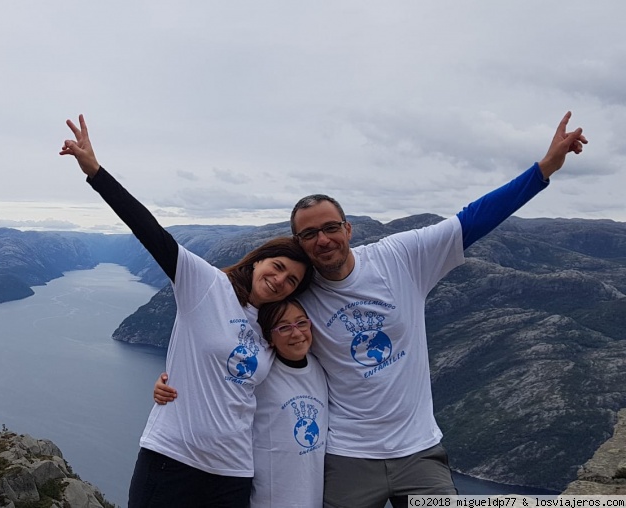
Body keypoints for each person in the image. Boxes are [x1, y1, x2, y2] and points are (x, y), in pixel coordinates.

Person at [288, 111, 587, 508]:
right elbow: (237, 315)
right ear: (298, 242)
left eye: (329, 228)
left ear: (348, 229)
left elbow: (475, 219)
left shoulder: (399, 257)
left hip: (418, 450)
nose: (322, 240)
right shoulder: (297, 289)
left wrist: (544, 168)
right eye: (309, 234)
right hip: (346, 452)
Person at [60, 114, 314, 508]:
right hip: (171, 457)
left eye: (292, 280)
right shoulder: (207, 285)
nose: (281, 280)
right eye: (278, 267)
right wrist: (95, 172)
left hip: (232, 472)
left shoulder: (273, 330)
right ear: (260, 261)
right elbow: (151, 231)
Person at [155, 298, 329, 507]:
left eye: (302, 323)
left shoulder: (319, 368)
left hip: (311, 496)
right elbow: (210, 387)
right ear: (269, 337)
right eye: (283, 327)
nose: (297, 333)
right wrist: (166, 385)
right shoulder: (260, 374)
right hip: (266, 498)